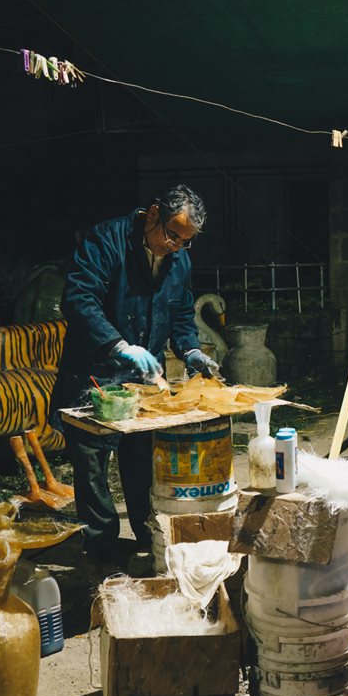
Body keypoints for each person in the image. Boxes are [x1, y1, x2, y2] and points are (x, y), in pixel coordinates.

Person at [49, 184, 221, 562]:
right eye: (172, 236)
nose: (175, 247)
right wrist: (118, 346)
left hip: (144, 376)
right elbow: (79, 299)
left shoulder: (177, 259)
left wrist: (190, 349)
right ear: (153, 214)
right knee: (92, 464)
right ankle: (101, 551)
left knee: (142, 457)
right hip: (95, 371)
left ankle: (148, 539)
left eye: (185, 242)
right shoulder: (107, 240)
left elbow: (180, 312)